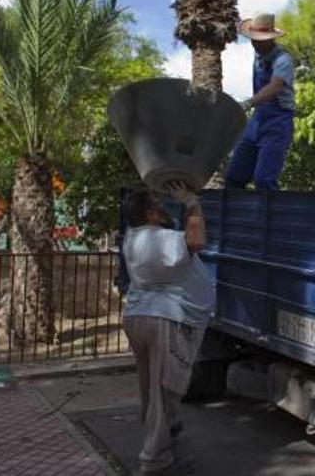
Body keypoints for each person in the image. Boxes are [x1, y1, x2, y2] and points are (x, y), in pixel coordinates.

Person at [122, 181, 215, 475]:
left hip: (140, 315)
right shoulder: (158, 238)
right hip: (163, 319)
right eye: (157, 202)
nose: (164, 205)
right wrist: (192, 203)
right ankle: (155, 462)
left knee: (151, 386)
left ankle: (164, 431)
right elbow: (196, 240)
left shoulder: (132, 237)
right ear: (150, 214)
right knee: (165, 390)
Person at [226, 12, 296, 191]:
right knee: (234, 177)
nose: (254, 43)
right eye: (252, 39)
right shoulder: (257, 55)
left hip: (278, 122)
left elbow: (275, 87)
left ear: (270, 39)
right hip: (257, 120)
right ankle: (238, 217)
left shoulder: (283, 59)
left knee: (263, 178)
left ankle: (273, 217)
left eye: (259, 40)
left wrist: (248, 103)